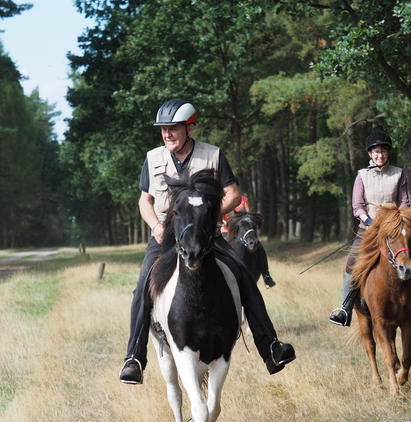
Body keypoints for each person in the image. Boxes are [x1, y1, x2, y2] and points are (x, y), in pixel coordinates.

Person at [119, 99, 295, 385]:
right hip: (165, 236)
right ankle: (134, 358)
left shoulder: (213, 155)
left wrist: (208, 216)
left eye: (173, 129)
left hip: (207, 235)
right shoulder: (153, 158)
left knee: (244, 278)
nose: (167, 135)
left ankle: (271, 348)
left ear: (189, 128)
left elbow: (233, 194)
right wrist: (155, 226)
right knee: (142, 286)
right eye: (163, 130)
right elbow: (145, 200)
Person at [328, 130, 411, 327]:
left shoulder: (399, 173)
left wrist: (397, 223)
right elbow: (357, 206)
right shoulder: (362, 176)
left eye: (384, 151)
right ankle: (345, 308)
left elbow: (404, 203)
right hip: (368, 229)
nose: (380, 155)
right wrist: (370, 222)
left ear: (388, 153)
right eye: (376, 152)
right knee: (352, 260)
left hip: (395, 230)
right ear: (370, 154)